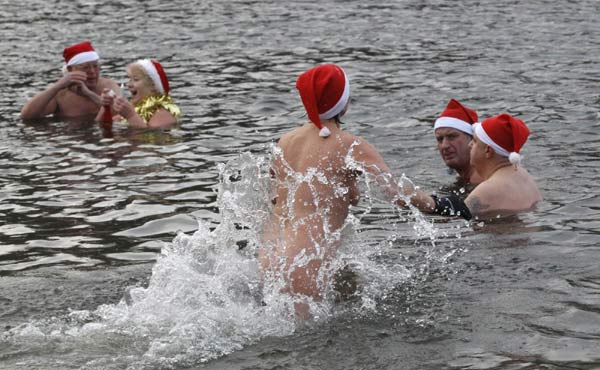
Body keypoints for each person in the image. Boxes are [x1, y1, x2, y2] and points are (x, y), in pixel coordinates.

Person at [258, 64, 430, 318]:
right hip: (307, 266)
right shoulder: (350, 145)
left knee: (348, 280)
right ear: (344, 102)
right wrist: (438, 204)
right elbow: (397, 194)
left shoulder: (285, 142)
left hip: (269, 260)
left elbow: (275, 198)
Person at [420, 113, 542, 220]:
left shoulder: (490, 189)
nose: (470, 145)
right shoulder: (522, 174)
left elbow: (454, 215)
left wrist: (413, 197)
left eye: (475, 141)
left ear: (488, 150)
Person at [21, 41, 120, 119]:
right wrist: (56, 86)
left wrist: (89, 94)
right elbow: (27, 116)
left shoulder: (108, 86)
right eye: (85, 68)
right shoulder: (60, 94)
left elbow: (120, 112)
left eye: (95, 66)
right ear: (70, 70)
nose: (93, 72)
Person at [97, 59, 180, 129]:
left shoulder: (162, 112)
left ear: (152, 87)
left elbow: (148, 138)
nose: (129, 85)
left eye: (136, 80)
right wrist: (105, 107)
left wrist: (130, 116)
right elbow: (100, 126)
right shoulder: (133, 107)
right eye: (130, 79)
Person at [433, 99, 483, 187]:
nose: (444, 146)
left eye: (452, 136)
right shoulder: (467, 176)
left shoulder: (480, 179)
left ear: (472, 140)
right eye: (440, 139)